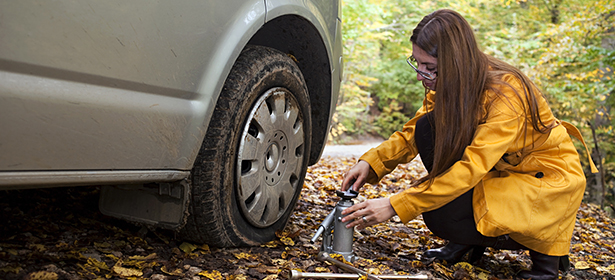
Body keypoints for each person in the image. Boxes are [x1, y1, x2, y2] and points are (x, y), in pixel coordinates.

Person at [339, 9, 597, 280]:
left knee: (441, 214)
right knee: (428, 128)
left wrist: (394, 205)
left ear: (454, 64)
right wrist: (371, 163)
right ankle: (467, 241)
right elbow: (413, 133)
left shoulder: (506, 94)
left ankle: (547, 261)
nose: (420, 76)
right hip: (500, 173)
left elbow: (472, 167)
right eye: (417, 63)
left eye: (430, 68)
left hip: (545, 183)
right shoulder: (450, 85)